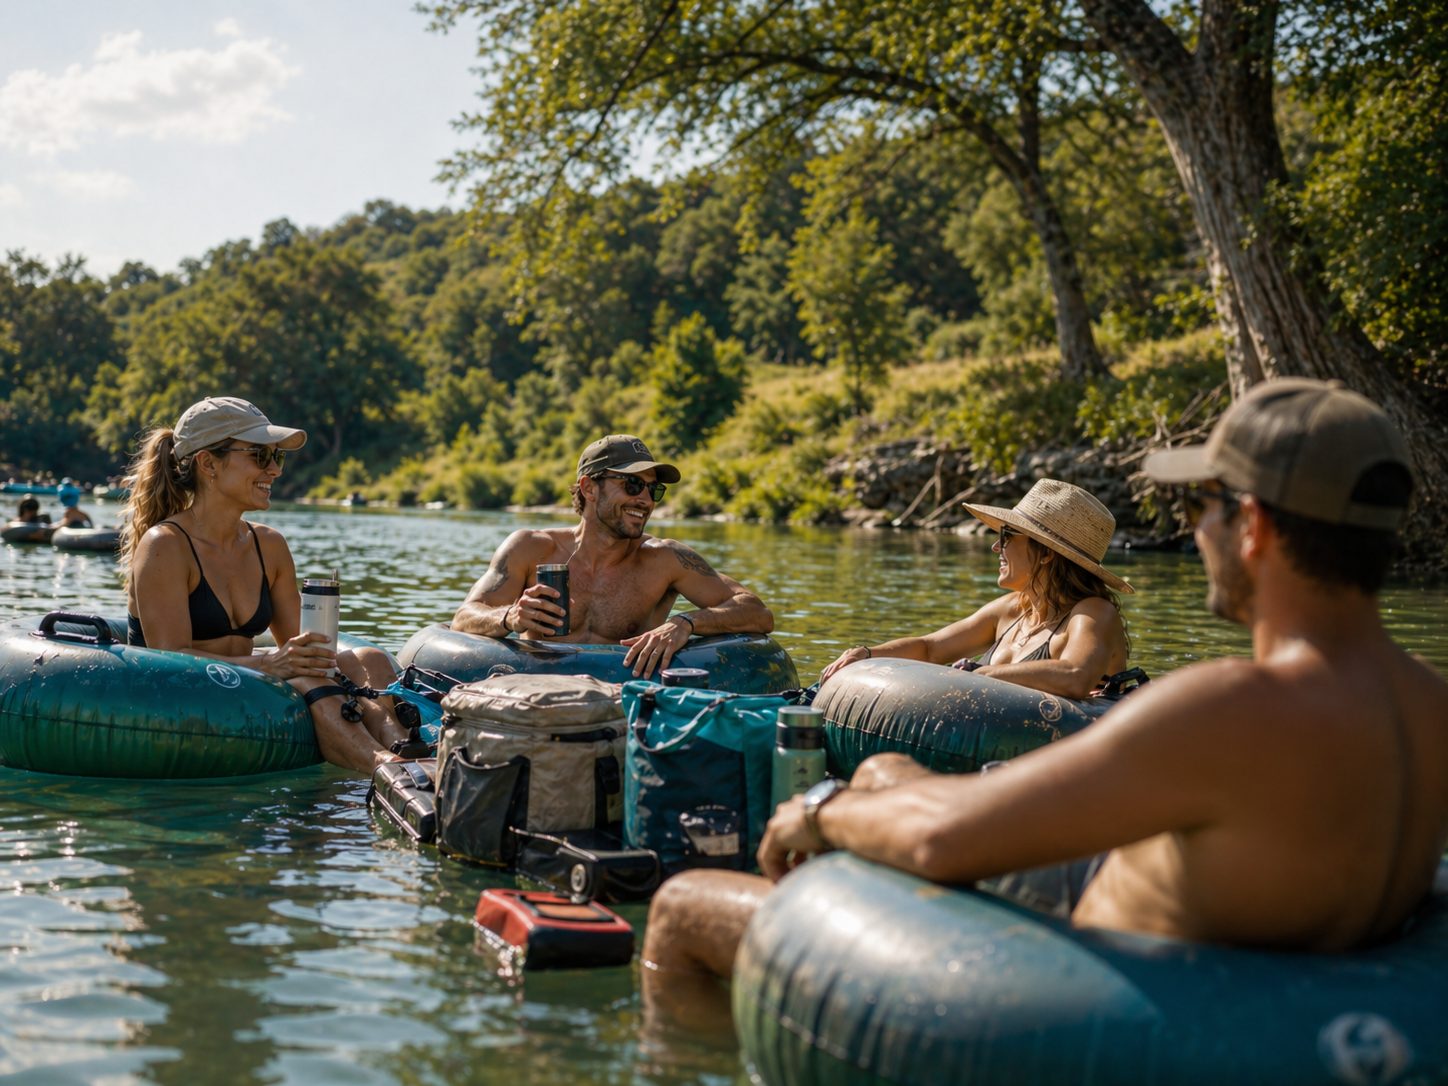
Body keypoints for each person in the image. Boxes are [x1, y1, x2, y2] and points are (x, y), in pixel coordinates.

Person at [641, 378, 1448, 1026]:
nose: (1196, 529)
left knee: (681, 908)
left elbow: (941, 844)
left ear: (1256, 528)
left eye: (1203, 507)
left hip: (1094, 987)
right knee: (886, 771)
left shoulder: (1229, 706)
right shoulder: (1431, 707)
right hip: (1243, 941)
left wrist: (817, 812)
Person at [123, 396, 410, 774]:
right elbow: (168, 660)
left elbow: (301, 646)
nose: (274, 470)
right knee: (305, 676)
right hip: (180, 699)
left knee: (369, 659)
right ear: (208, 463)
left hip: (250, 682)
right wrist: (270, 663)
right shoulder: (166, 545)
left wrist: (291, 661)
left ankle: (407, 751)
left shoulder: (268, 544)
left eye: (278, 457)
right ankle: (383, 766)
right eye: (260, 456)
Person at [452, 434, 774, 678]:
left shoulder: (665, 559)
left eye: (654, 489)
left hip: (619, 699)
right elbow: (464, 618)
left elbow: (757, 612)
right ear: (589, 488)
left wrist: (686, 622)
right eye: (633, 485)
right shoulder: (530, 547)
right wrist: (510, 617)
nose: (646, 499)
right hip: (538, 693)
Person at [820, 478, 1132, 698]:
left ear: (1047, 553)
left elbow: (1076, 676)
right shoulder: (1012, 609)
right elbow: (931, 648)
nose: (997, 547)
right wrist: (867, 653)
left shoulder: (1093, 613)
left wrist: (980, 675)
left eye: (1008, 536)